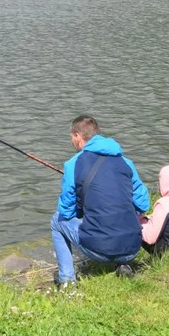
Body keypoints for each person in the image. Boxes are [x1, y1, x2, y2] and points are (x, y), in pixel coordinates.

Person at [51, 115, 150, 287]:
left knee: (56, 220)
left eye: (71, 138)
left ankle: (67, 281)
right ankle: (123, 263)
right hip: (132, 248)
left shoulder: (73, 164)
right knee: (122, 210)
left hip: (97, 250)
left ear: (77, 136)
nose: (72, 142)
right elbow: (143, 204)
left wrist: (84, 207)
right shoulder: (126, 162)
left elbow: (66, 211)